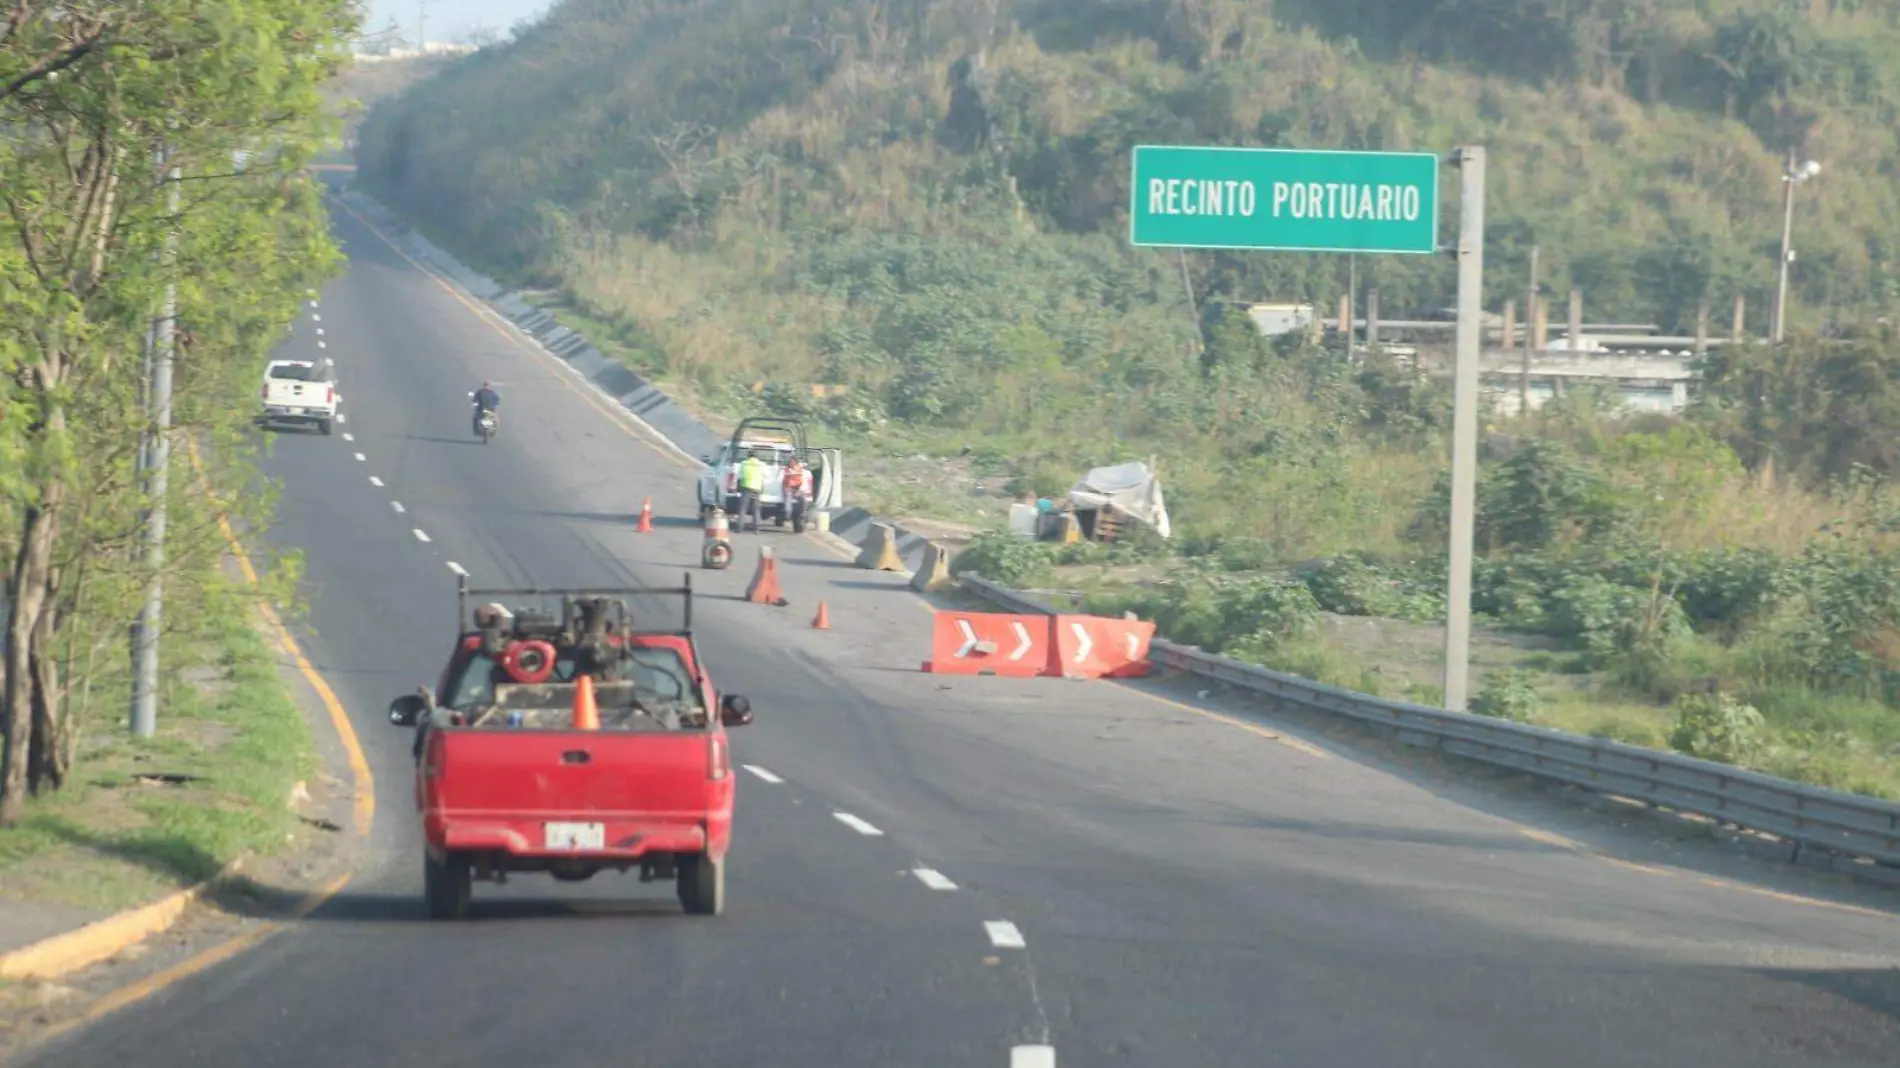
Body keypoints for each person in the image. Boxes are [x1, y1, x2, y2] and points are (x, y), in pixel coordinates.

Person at [736, 450, 767, 532]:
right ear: (757, 456)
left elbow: (739, 477)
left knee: (743, 509)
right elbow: (766, 476)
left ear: (748, 456)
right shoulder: (761, 464)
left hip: (746, 487)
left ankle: (739, 528)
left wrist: (738, 488)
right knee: (756, 510)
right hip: (757, 488)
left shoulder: (744, 463)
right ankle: (757, 529)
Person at [781, 456, 811, 524]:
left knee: (803, 499)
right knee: (788, 500)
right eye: (790, 462)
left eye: (792, 462)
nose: (791, 463)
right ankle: (788, 515)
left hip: (797, 488)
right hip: (788, 488)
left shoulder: (799, 468)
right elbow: (785, 480)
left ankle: (802, 514)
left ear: (795, 463)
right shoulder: (787, 469)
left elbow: (801, 478)